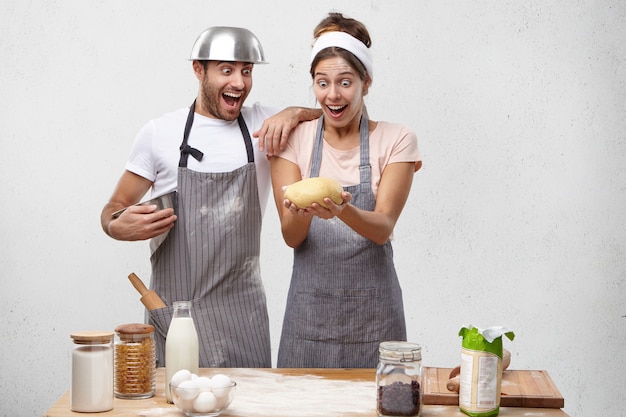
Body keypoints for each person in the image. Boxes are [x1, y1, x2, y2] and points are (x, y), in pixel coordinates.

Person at [100, 26, 321, 368]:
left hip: (242, 317)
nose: (239, 82)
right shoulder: (160, 133)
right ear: (198, 70)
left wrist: (294, 112)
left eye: (246, 71)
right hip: (175, 316)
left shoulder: (263, 124)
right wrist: (116, 226)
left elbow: (340, 114)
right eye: (227, 70)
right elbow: (113, 209)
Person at [270, 13, 422, 368]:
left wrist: (341, 209)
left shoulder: (397, 140)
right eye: (322, 83)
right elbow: (292, 238)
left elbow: (383, 228)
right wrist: (298, 210)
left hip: (374, 319)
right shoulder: (293, 139)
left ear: (366, 82)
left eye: (345, 82)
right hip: (309, 319)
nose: (333, 95)